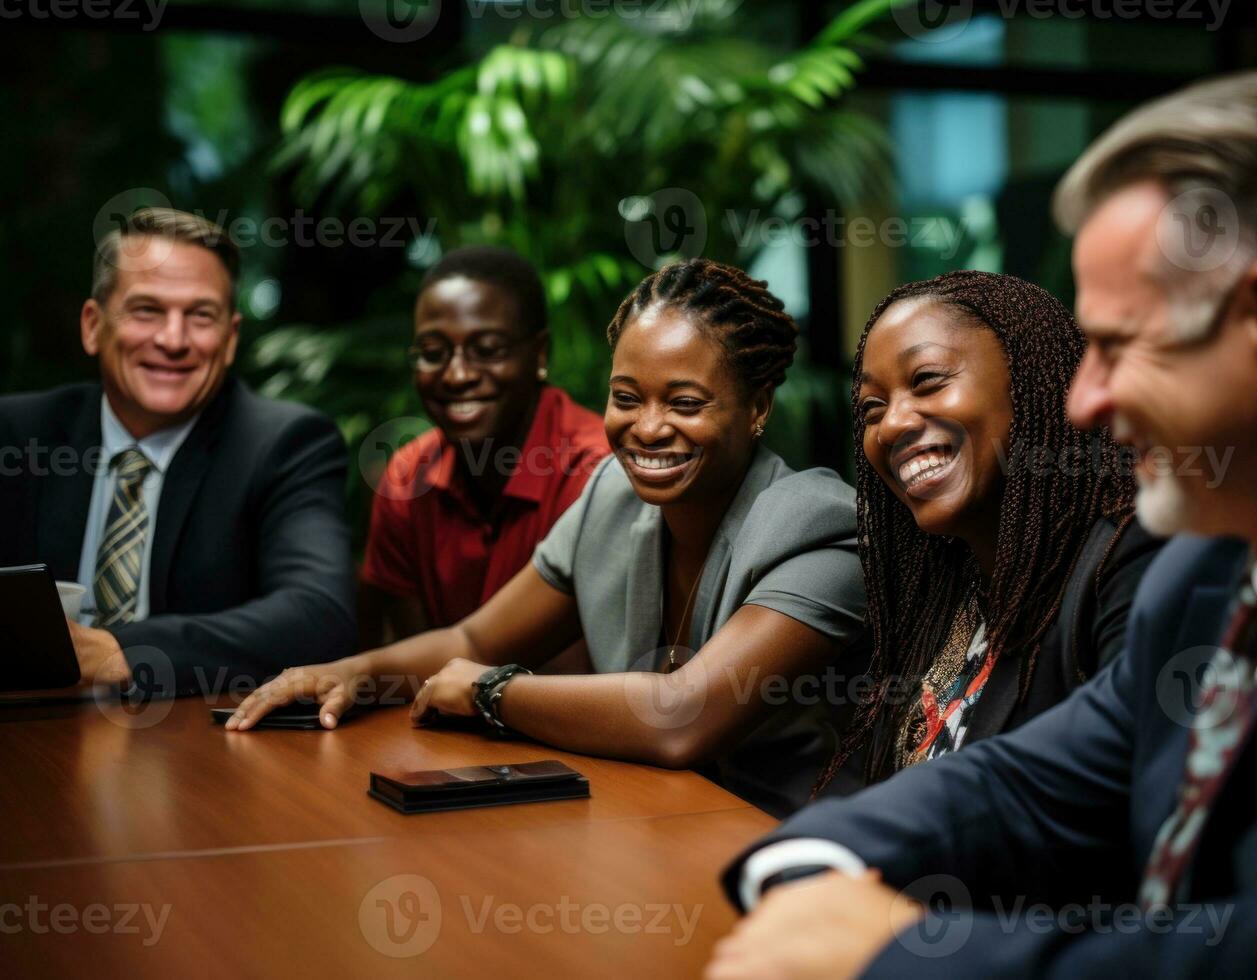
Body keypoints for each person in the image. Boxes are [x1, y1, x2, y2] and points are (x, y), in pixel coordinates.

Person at [709, 68, 1257, 978]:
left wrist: (901, 956)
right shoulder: (1209, 564)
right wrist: (813, 858)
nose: (1082, 401)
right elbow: (1028, 781)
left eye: (1118, 345)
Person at [228, 259, 867, 815]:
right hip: (643, 823)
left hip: (790, 848)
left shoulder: (818, 527)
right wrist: (351, 673)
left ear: (757, 408)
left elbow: (681, 714)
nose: (647, 428)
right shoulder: (610, 498)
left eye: (685, 402)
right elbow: (474, 636)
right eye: (627, 396)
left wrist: (490, 691)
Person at [815, 270, 1159, 790]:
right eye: (872, 408)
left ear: (1031, 379)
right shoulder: (945, 584)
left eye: (927, 380)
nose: (891, 425)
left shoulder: (1127, 563)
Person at [0, 206, 354, 694]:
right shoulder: (19, 435)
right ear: (92, 326)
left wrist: (122, 652)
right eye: (146, 310)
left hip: (200, 747)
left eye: (200, 316)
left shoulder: (284, 445)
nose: (173, 340)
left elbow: (320, 614)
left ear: (229, 340)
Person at [357, 246, 608, 649]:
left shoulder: (595, 474)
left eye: (488, 350)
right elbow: (409, 668)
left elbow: (581, 671)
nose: (457, 375)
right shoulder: (407, 477)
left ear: (539, 354)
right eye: (434, 354)